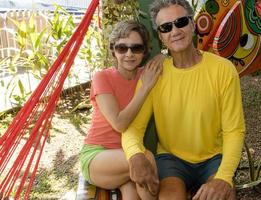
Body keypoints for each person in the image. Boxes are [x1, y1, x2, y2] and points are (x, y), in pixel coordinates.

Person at [122, 0, 246, 200]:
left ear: (193, 25)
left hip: (214, 157)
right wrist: (134, 155)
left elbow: (234, 130)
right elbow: (133, 128)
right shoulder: (154, 74)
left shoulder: (223, 70)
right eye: (166, 27)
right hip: (172, 159)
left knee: (223, 196)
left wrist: (223, 178)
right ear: (160, 36)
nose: (175, 30)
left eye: (181, 22)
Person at [79, 20, 163, 200]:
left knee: (133, 194)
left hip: (127, 154)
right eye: (122, 48)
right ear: (113, 50)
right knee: (145, 159)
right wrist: (145, 88)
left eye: (136, 48)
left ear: (145, 51)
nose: (129, 54)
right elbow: (119, 123)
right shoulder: (102, 77)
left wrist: (163, 55)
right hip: (98, 156)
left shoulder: (146, 74)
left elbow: (167, 59)